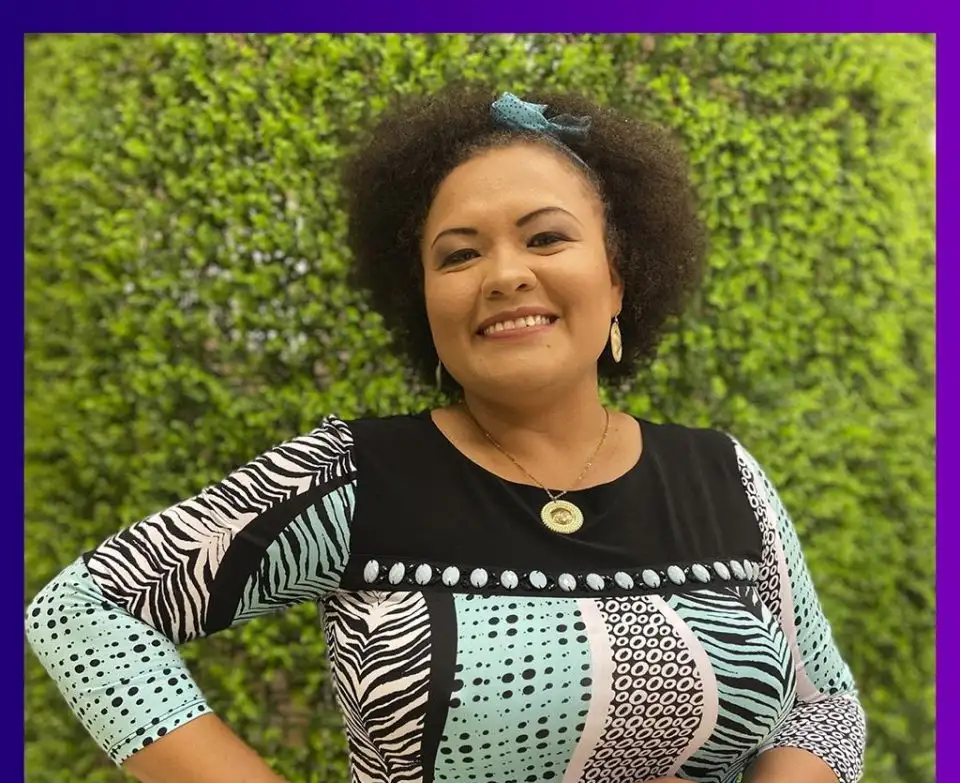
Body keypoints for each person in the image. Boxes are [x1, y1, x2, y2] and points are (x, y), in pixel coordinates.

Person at [25, 86, 866, 783]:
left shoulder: (721, 476)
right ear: (422, 302)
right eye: (459, 255)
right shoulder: (358, 478)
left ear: (618, 277)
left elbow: (824, 704)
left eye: (546, 237)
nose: (505, 275)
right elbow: (82, 612)